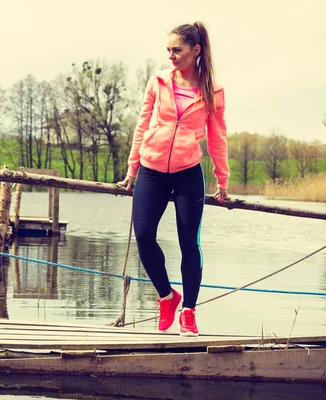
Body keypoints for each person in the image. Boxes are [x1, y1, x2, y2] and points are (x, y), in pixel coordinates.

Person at [118, 21, 229, 337]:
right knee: (143, 235)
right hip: (151, 170)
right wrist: (132, 168)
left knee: (188, 243)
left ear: (195, 51)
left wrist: (223, 179)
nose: (170, 56)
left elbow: (218, 137)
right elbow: (142, 125)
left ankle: (189, 312)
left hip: (187, 175)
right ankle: (167, 297)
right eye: (168, 50)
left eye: (176, 50)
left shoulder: (213, 91)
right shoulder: (158, 82)